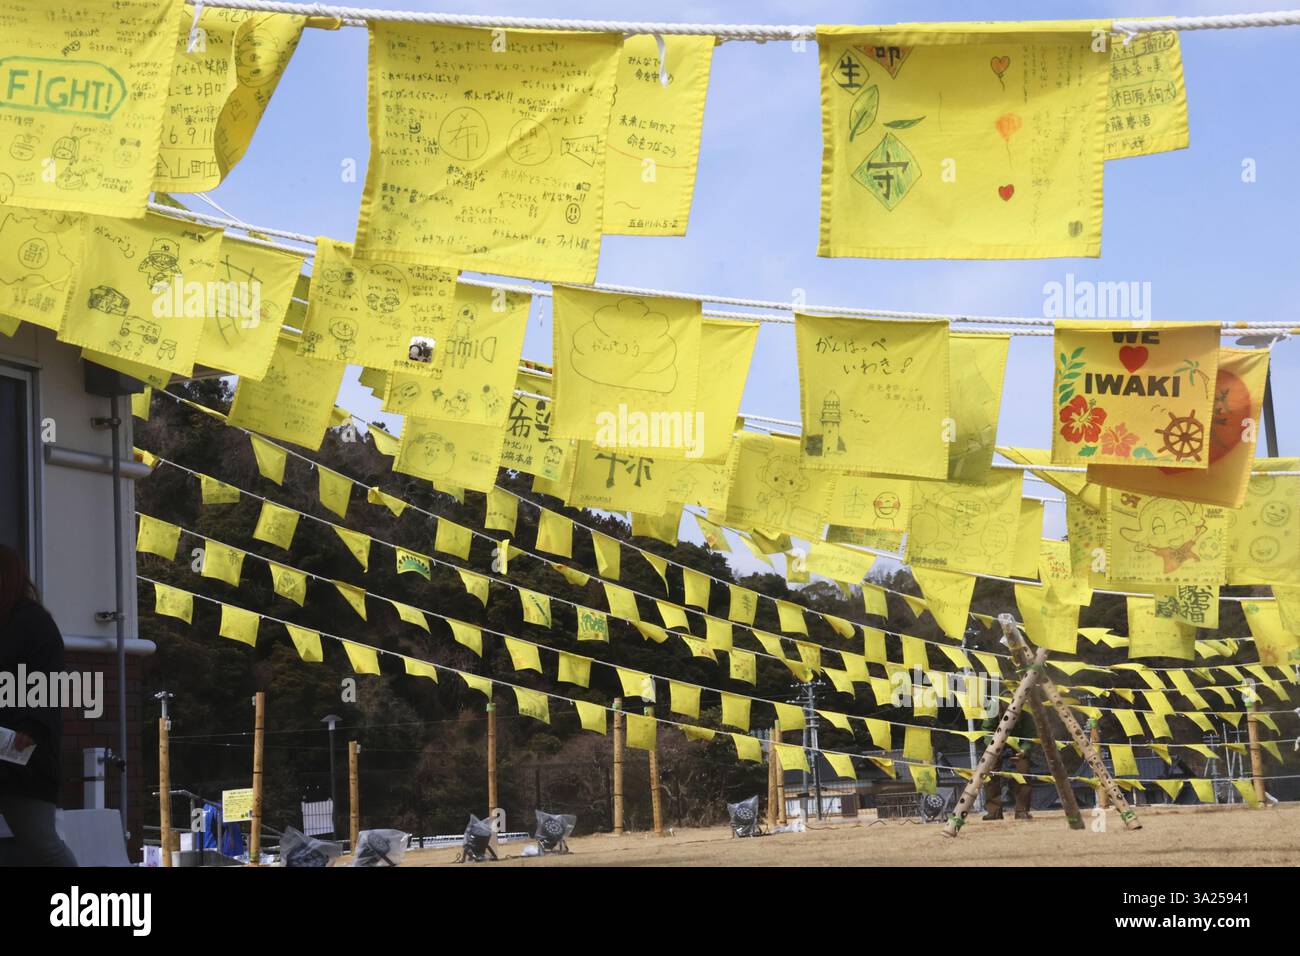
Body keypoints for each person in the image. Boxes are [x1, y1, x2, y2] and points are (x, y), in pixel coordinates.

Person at [0, 544, 78, 866]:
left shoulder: (33, 623)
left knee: (40, 840)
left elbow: (50, 681)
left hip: (21, 750)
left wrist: (32, 726)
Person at [981, 701, 1036, 821]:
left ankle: (1022, 810)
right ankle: (993, 811)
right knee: (990, 773)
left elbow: (1030, 736)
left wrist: (1023, 751)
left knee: (1024, 772)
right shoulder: (993, 707)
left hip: (1018, 745)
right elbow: (986, 731)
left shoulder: (1026, 712)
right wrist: (994, 748)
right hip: (996, 743)